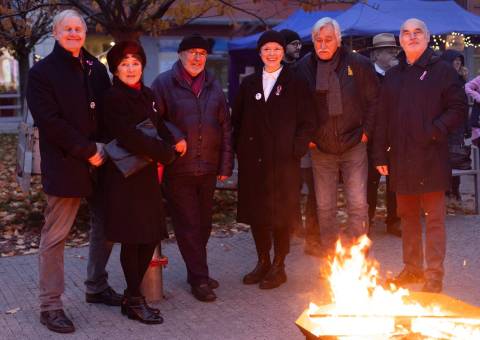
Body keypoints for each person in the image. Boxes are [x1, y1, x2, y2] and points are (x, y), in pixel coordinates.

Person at [26, 9, 121, 334]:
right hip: (68, 164)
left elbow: (109, 110)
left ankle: (96, 285)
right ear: (54, 32)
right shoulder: (41, 73)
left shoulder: (95, 68)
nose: (73, 33)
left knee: (106, 226)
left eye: (78, 28)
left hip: (102, 162)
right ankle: (50, 306)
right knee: (56, 237)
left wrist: (111, 147)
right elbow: (50, 123)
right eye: (67, 28)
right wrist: (87, 150)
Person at [373, 19, 467, 293]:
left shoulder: (443, 72)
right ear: (399, 40)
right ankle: (413, 269)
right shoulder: (392, 76)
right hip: (401, 159)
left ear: (427, 39)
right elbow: (382, 118)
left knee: (435, 219)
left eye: (417, 33)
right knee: (408, 216)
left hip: (431, 157)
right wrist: (380, 153)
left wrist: (433, 131)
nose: (411, 37)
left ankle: (434, 274)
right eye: (406, 33)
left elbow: (458, 108)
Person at [151, 34, 233, 302]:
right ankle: (199, 279)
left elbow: (225, 128)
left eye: (202, 53)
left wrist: (225, 163)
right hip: (178, 169)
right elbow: (154, 121)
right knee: (188, 225)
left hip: (208, 167)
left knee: (204, 225)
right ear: (180, 54)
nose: (197, 57)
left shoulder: (213, 85)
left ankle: (195, 270)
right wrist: (175, 135)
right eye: (192, 52)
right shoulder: (163, 84)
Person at [103, 41, 178, 324]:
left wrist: (171, 142)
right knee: (133, 240)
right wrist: (163, 152)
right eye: (124, 64)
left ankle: (130, 297)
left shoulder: (148, 94)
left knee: (149, 236)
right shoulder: (112, 98)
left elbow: (159, 126)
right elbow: (126, 136)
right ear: (115, 69)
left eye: (135, 63)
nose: (131, 68)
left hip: (146, 176)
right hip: (124, 178)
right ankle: (134, 299)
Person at [232, 30, 314, 289]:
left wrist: (296, 149)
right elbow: (238, 121)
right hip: (254, 161)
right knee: (258, 213)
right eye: (266, 49)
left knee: (281, 214)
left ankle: (279, 265)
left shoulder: (296, 81)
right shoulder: (249, 83)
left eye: (276, 49)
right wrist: (240, 150)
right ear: (260, 53)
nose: (271, 53)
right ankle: (263, 261)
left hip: (283, 160)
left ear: (283, 52)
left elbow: (308, 121)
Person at [296, 17, 379, 255]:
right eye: (318, 40)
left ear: (338, 40)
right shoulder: (303, 68)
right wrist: (309, 137)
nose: (323, 45)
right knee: (324, 206)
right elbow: (297, 107)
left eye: (328, 40)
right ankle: (330, 254)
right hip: (320, 147)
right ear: (313, 41)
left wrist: (366, 133)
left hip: (354, 142)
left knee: (357, 203)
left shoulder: (359, 64)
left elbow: (375, 101)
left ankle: (357, 253)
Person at [367, 33, 401, 237]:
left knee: (395, 181)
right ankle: (367, 221)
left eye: (395, 50)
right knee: (370, 181)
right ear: (377, 54)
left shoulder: (399, 75)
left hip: (395, 136)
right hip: (372, 137)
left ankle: (394, 221)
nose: (394, 54)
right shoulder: (369, 75)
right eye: (389, 51)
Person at [440, 49, 471, 202]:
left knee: (457, 157)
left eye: (460, 61)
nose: (457, 63)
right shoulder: (443, 80)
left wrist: (466, 127)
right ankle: (446, 190)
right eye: (455, 61)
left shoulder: (460, 80)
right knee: (445, 158)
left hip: (458, 126)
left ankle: (455, 190)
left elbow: (463, 106)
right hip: (446, 125)